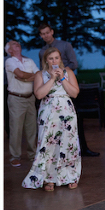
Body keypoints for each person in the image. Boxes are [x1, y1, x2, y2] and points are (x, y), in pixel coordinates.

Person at [22, 47, 81, 191]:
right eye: (51, 58)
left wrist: (62, 78)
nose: (54, 61)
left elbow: (74, 93)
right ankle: (49, 178)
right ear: (46, 61)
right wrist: (52, 79)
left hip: (66, 111)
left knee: (68, 143)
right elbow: (39, 94)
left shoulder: (68, 72)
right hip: (48, 112)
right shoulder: (40, 75)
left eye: (56, 58)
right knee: (48, 145)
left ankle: (70, 176)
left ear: (60, 58)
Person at [38, 22, 99, 157]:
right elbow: (42, 69)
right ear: (41, 36)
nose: (46, 35)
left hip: (67, 84)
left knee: (76, 118)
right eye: (43, 34)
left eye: (47, 32)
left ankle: (83, 148)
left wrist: (62, 71)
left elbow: (74, 63)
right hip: (51, 88)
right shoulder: (42, 51)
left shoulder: (65, 45)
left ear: (52, 32)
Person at [5, 40, 38, 167]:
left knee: (31, 128)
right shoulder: (9, 61)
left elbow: (39, 74)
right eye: (13, 44)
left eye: (17, 43)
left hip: (30, 97)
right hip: (16, 98)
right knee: (16, 129)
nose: (17, 44)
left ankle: (32, 154)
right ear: (9, 50)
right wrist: (29, 76)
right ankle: (15, 156)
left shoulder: (29, 61)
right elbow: (19, 74)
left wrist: (25, 77)